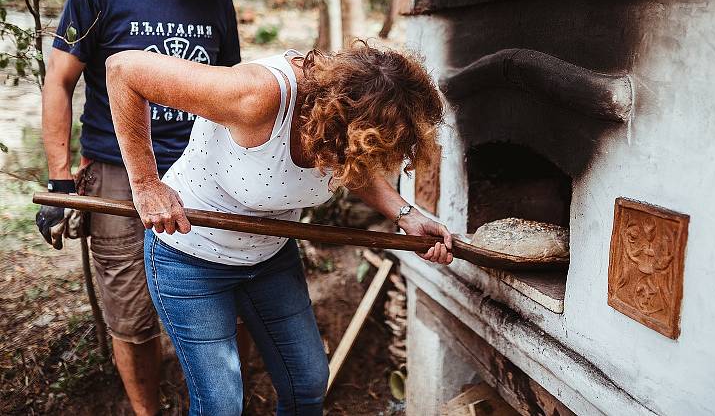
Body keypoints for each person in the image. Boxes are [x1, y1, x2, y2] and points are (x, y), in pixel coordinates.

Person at [105, 42, 454, 415]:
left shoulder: (344, 136)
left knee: (307, 381)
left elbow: (354, 165)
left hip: (270, 257)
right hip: (191, 255)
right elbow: (124, 70)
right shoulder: (258, 95)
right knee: (221, 404)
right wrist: (145, 183)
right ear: (341, 123)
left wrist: (406, 215)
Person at [36, 0, 240, 414]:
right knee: (130, 313)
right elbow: (59, 82)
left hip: (201, 174)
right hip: (118, 177)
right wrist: (60, 182)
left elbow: (229, 90)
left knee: (216, 299)